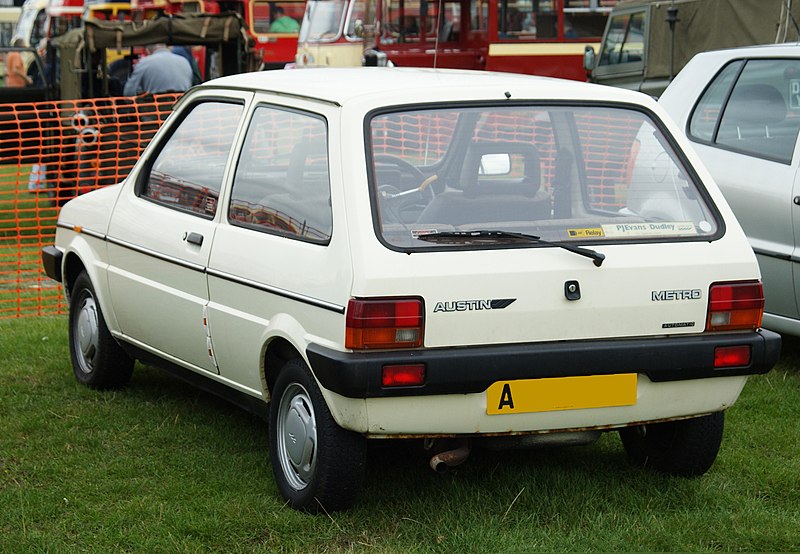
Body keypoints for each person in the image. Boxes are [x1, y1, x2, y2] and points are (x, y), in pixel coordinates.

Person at [123, 44, 193, 96]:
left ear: (147, 50)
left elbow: (128, 93)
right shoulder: (184, 61)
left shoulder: (144, 63)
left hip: (155, 111)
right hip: (182, 111)